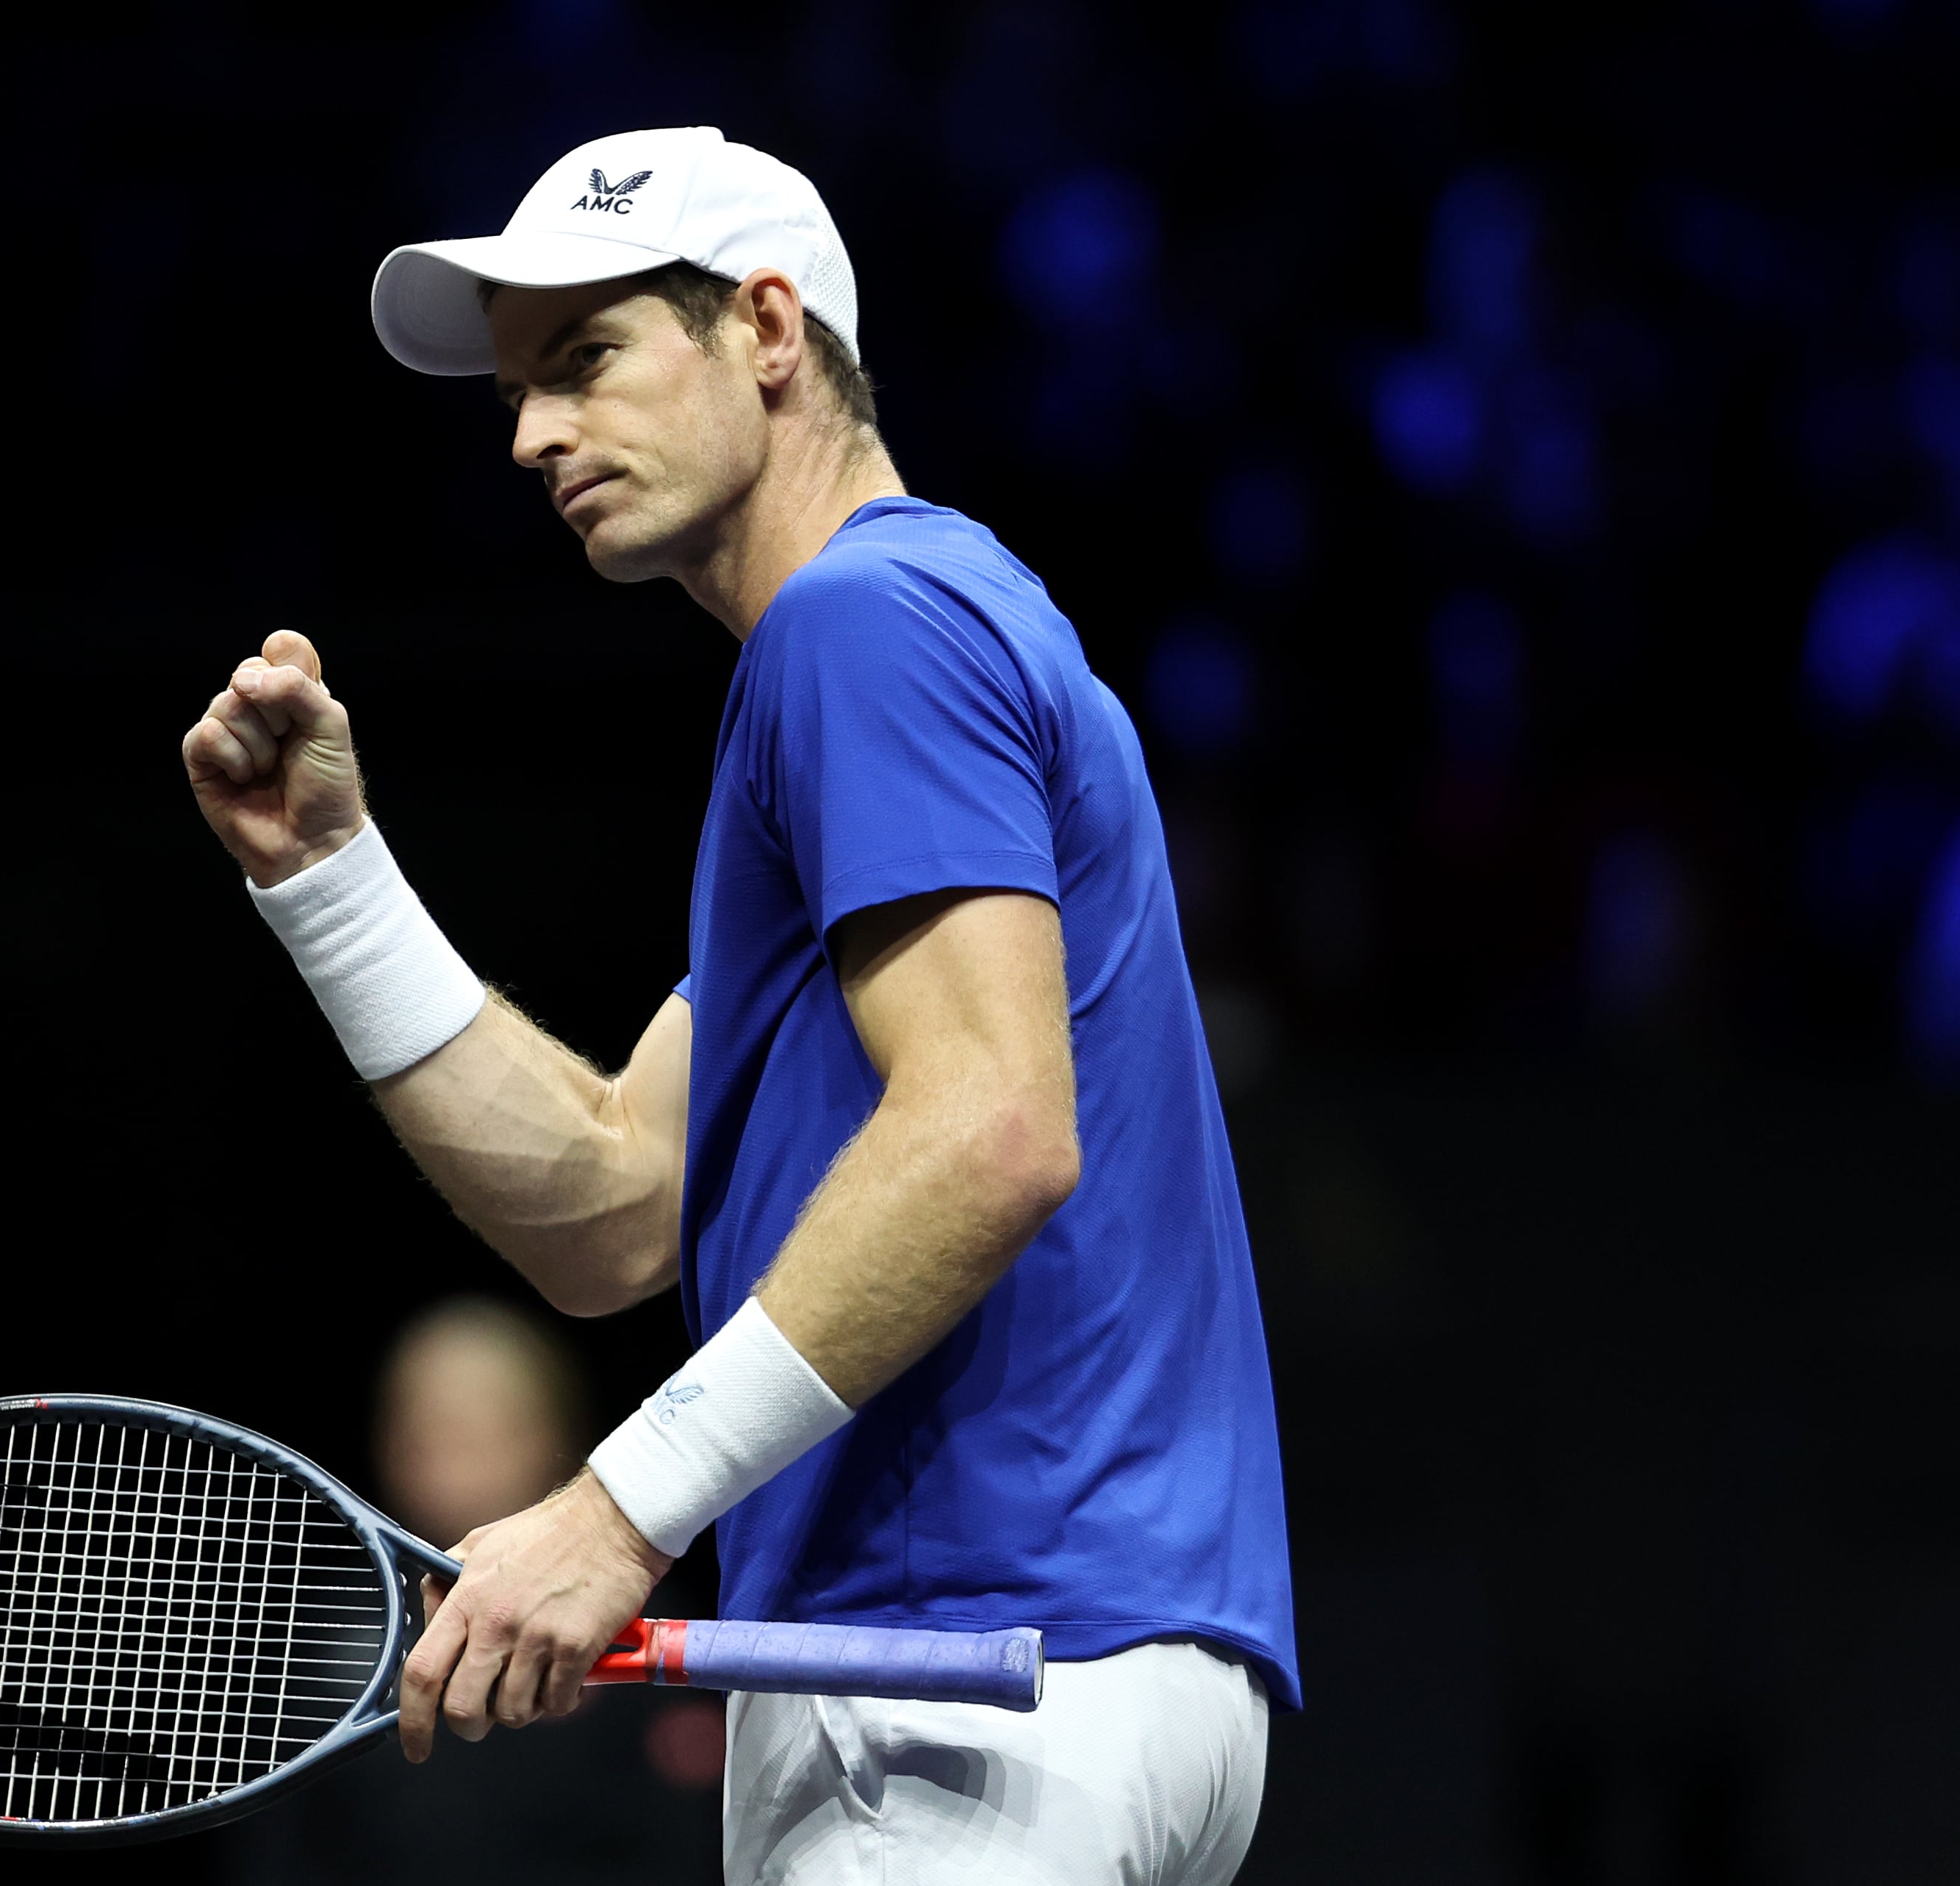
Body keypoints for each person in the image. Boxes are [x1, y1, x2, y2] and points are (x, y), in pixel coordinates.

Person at [181, 125, 1298, 1885]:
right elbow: (618, 1202)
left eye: (585, 357)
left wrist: (611, 1510)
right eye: (514, 391)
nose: (531, 430)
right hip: (1019, 1675)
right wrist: (328, 881)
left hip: (963, 1672)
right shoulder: (901, 648)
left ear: (766, 329)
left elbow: (992, 1130)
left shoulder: (863, 624)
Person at [212, 1298, 728, 1886]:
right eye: (422, 1433)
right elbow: (278, 1856)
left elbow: (687, 1851)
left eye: (476, 1431)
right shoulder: (323, 1646)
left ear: (557, 1439)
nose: (445, 1461)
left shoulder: (639, 1633)